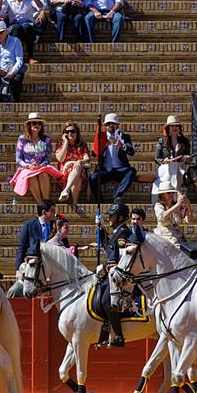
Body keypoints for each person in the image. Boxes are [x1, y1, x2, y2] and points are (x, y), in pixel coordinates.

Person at [94, 201, 133, 347]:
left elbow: (116, 253)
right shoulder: (118, 231)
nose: (110, 218)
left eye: (112, 216)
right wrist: (101, 229)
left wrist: (104, 266)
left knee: (106, 302)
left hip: (117, 274)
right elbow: (109, 247)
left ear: (121, 217)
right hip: (109, 272)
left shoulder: (123, 232)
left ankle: (118, 335)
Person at [9, 112, 62, 203]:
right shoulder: (22, 139)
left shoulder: (46, 140)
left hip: (41, 167)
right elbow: (18, 158)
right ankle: (41, 203)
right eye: (34, 123)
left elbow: (48, 158)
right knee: (31, 176)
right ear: (29, 125)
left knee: (43, 175)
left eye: (39, 123)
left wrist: (40, 165)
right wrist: (27, 166)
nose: (37, 125)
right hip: (26, 167)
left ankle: (46, 202)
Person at [88, 113, 136, 203]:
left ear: (117, 125)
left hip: (120, 170)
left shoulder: (124, 137)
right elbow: (94, 153)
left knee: (131, 171)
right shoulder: (101, 137)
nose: (111, 126)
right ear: (105, 126)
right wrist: (102, 145)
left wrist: (122, 146)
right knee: (93, 177)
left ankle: (117, 196)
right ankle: (100, 201)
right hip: (105, 170)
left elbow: (131, 152)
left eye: (113, 123)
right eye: (108, 124)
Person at [0, 0, 42, 64]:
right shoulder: (8, 0)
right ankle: (16, 57)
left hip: (27, 27)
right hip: (14, 27)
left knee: (27, 27)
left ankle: (30, 57)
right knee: (16, 27)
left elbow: (40, 6)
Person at [152, 115, 191, 199]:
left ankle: (176, 197)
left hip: (179, 167)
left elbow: (189, 156)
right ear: (168, 128)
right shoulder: (162, 141)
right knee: (174, 173)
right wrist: (164, 160)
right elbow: (157, 158)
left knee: (179, 172)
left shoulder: (184, 141)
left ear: (179, 128)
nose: (174, 128)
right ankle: (175, 195)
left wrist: (187, 158)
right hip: (165, 167)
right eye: (172, 126)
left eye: (176, 125)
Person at [0, 21, 26, 103]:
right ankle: (2, 100)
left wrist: (13, 72)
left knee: (16, 80)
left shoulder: (16, 41)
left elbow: (19, 60)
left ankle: (14, 102)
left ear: (6, 32)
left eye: (0, 33)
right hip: (1, 70)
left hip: (14, 69)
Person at [55, 121, 89, 207]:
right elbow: (60, 158)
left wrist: (76, 162)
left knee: (77, 168)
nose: (70, 133)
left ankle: (67, 192)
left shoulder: (82, 145)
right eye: (67, 132)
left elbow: (87, 159)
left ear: (77, 133)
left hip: (80, 176)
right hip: (64, 177)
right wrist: (66, 143)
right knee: (77, 170)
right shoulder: (60, 144)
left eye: (73, 131)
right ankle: (73, 201)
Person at [15, 199, 56, 269]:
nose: (54, 213)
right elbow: (22, 247)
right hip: (33, 262)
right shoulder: (29, 225)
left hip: (52, 262)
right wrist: (18, 268)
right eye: (52, 211)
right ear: (44, 212)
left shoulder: (56, 225)